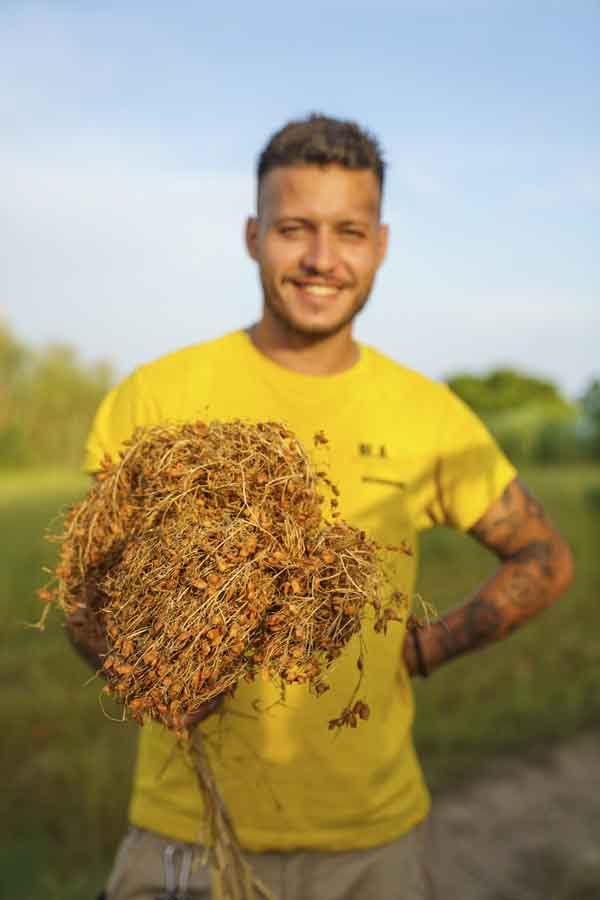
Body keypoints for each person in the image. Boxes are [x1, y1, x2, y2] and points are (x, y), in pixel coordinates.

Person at [69, 114, 574, 900]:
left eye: (348, 231)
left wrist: (426, 648)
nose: (320, 259)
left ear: (380, 244)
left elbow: (545, 556)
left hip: (371, 845)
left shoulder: (426, 413)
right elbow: (81, 593)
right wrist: (149, 675)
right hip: (186, 833)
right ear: (252, 235)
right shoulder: (158, 396)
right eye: (294, 228)